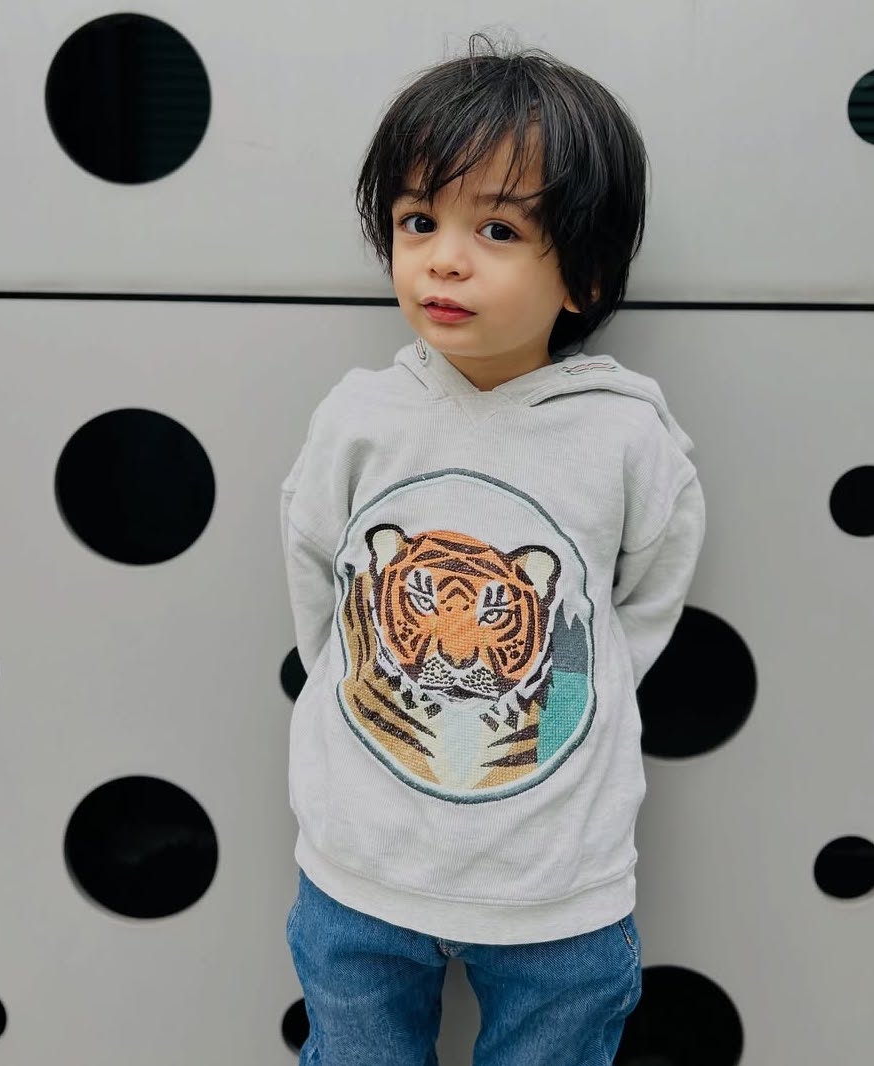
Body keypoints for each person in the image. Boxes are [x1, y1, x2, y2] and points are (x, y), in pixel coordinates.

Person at [280, 29, 706, 1066]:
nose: (444, 257)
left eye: (499, 229)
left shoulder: (624, 436)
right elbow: (319, 583)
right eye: (418, 220)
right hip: (360, 867)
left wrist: (561, 704)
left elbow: (637, 608)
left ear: (584, 277)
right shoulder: (360, 418)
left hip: (558, 882)